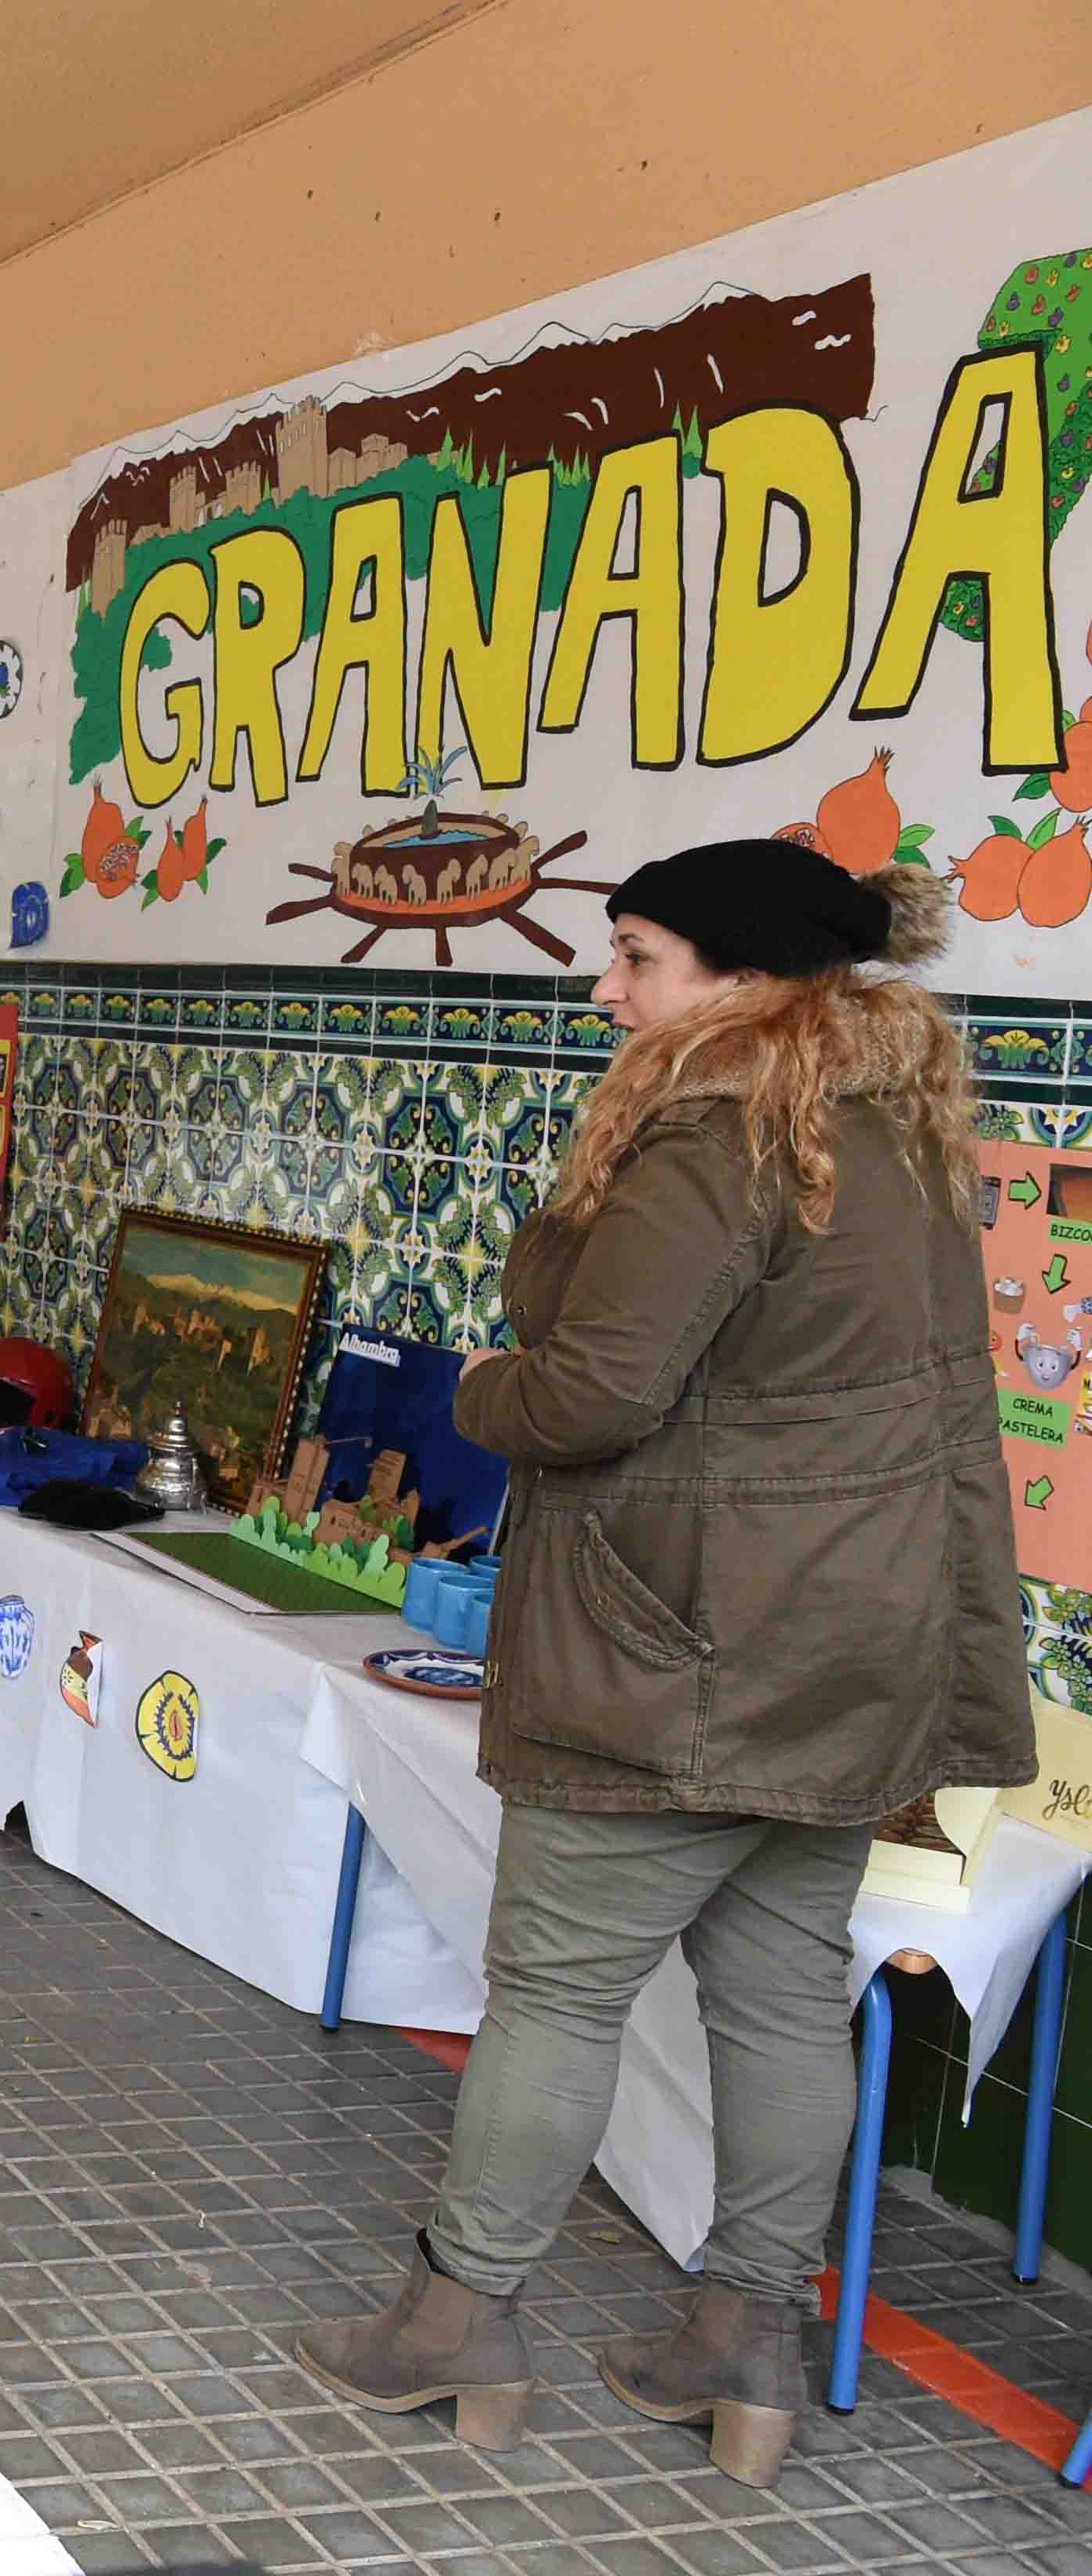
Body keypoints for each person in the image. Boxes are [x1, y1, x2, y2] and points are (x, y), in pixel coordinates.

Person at [297, 844, 1025, 2490]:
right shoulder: (899, 1133)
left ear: (736, 971)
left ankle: (455, 2319)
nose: (607, 985)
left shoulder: (716, 1131)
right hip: (853, 1648)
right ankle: (745, 2340)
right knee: (778, 1997)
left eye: (634, 953)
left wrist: (486, 1384)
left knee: (557, 1988)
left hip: (679, 1643)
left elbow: (590, 1397)